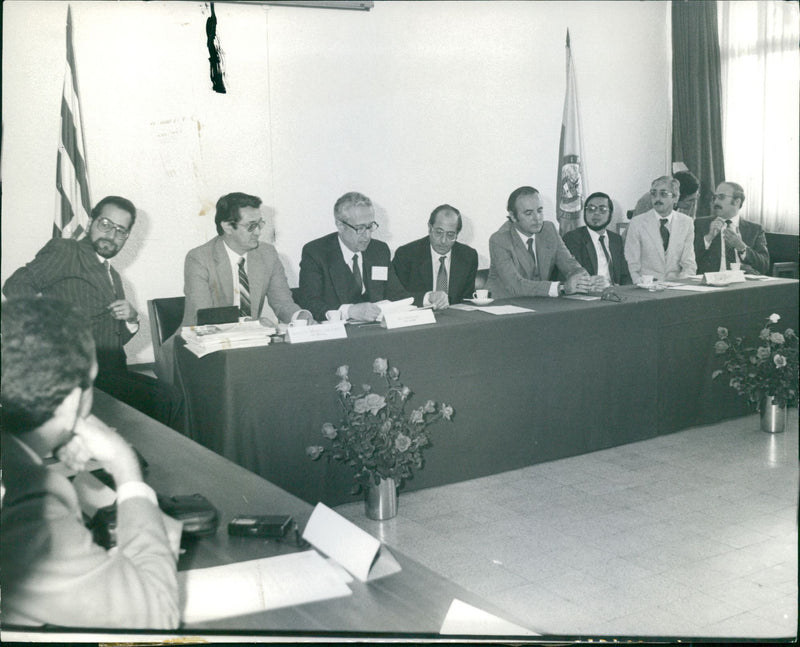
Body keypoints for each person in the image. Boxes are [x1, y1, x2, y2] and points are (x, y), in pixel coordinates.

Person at [0, 297, 179, 629]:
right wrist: (125, 465)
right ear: (71, 398)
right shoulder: (34, 521)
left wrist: (56, 433)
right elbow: (158, 614)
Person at [3, 196, 183, 430]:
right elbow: (15, 285)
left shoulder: (113, 276)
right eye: (105, 224)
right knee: (165, 400)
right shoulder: (67, 251)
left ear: (127, 237)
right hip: (78, 373)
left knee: (172, 397)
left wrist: (130, 319)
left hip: (110, 370)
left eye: (121, 231)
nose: (111, 235)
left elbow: (116, 338)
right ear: (90, 223)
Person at [182, 192, 312, 327]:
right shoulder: (199, 259)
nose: (258, 232)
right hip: (197, 340)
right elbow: (205, 315)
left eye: (260, 224)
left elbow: (283, 303)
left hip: (249, 341)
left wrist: (299, 316)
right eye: (251, 226)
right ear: (227, 226)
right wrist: (252, 324)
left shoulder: (267, 253)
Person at [297, 191, 406, 322]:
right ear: (340, 226)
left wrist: (428, 298)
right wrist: (349, 311)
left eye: (370, 226)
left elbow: (397, 295)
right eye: (360, 228)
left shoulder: (379, 250)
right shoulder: (316, 253)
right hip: (338, 336)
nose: (367, 235)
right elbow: (310, 304)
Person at [485, 186, 591, 298]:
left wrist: (584, 279)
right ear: (513, 216)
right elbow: (515, 286)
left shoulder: (549, 230)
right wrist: (562, 287)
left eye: (540, 210)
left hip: (539, 303)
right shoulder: (499, 240)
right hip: (503, 305)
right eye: (528, 213)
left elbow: (569, 264)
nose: (537, 218)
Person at [391, 204, 478, 307]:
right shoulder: (406, 255)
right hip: (418, 317)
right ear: (430, 227)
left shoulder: (468, 257)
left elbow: (466, 301)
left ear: (457, 234)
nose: (443, 240)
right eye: (438, 232)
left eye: (450, 235)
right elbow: (396, 296)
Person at [624, 176, 697, 284]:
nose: (657, 199)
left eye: (663, 194)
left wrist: (681, 284)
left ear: (675, 198)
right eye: (653, 194)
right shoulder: (637, 223)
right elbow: (632, 264)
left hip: (676, 286)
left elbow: (689, 264)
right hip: (646, 287)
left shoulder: (686, 222)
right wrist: (641, 283)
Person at [694, 182, 770, 275]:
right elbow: (688, 260)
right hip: (713, 282)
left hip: (743, 283)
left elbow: (764, 265)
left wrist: (742, 247)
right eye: (715, 197)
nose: (716, 202)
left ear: (737, 202)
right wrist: (708, 238)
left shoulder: (754, 229)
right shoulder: (700, 224)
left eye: (721, 197)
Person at [563, 192, 632, 286]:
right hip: (590, 293)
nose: (596, 213)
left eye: (602, 209)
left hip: (615, 293)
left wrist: (622, 290)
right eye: (591, 209)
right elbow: (574, 275)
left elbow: (625, 276)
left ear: (610, 214)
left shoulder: (616, 239)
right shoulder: (573, 238)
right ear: (585, 213)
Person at [632, 169, 700, 219]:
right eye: (690, 200)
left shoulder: (691, 202)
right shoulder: (649, 201)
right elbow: (637, 230)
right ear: (676, 197)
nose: (693, 203)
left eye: (696, 198)